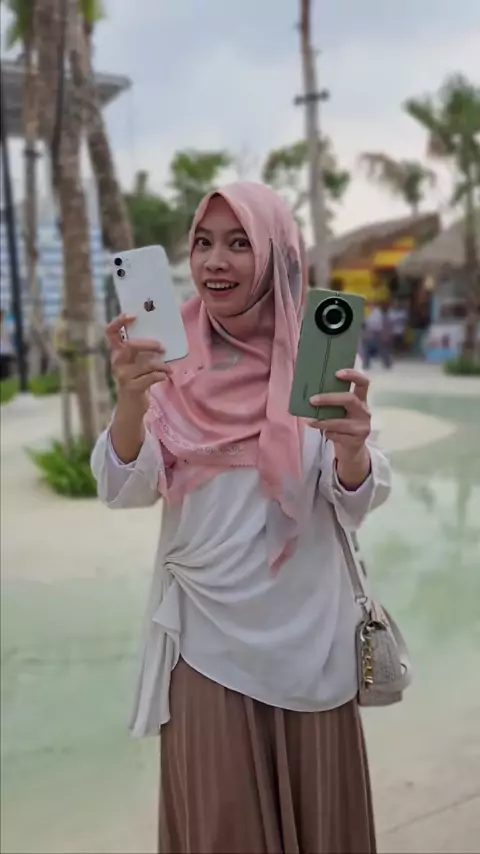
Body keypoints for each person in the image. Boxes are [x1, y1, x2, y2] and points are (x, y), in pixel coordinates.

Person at [91, 182, 392, 854]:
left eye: (239, 243)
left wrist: (352, 451)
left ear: (277, 255)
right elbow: (124, 490)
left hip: (310, 641)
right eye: (203, 243)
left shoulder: (317, 358)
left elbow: (353, 501)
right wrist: (131, 405)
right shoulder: (169, 365)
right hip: (206, 640)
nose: (215, 261)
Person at [362, 302, 392, 369]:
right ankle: (366, 364)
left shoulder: (378, 313)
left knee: (382, 349)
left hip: (378, 333)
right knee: (366, 349)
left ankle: (387, 363)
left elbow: (382, 324)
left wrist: (385, 335)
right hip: (370, 333)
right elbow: (366, 323)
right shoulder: (368, 313)